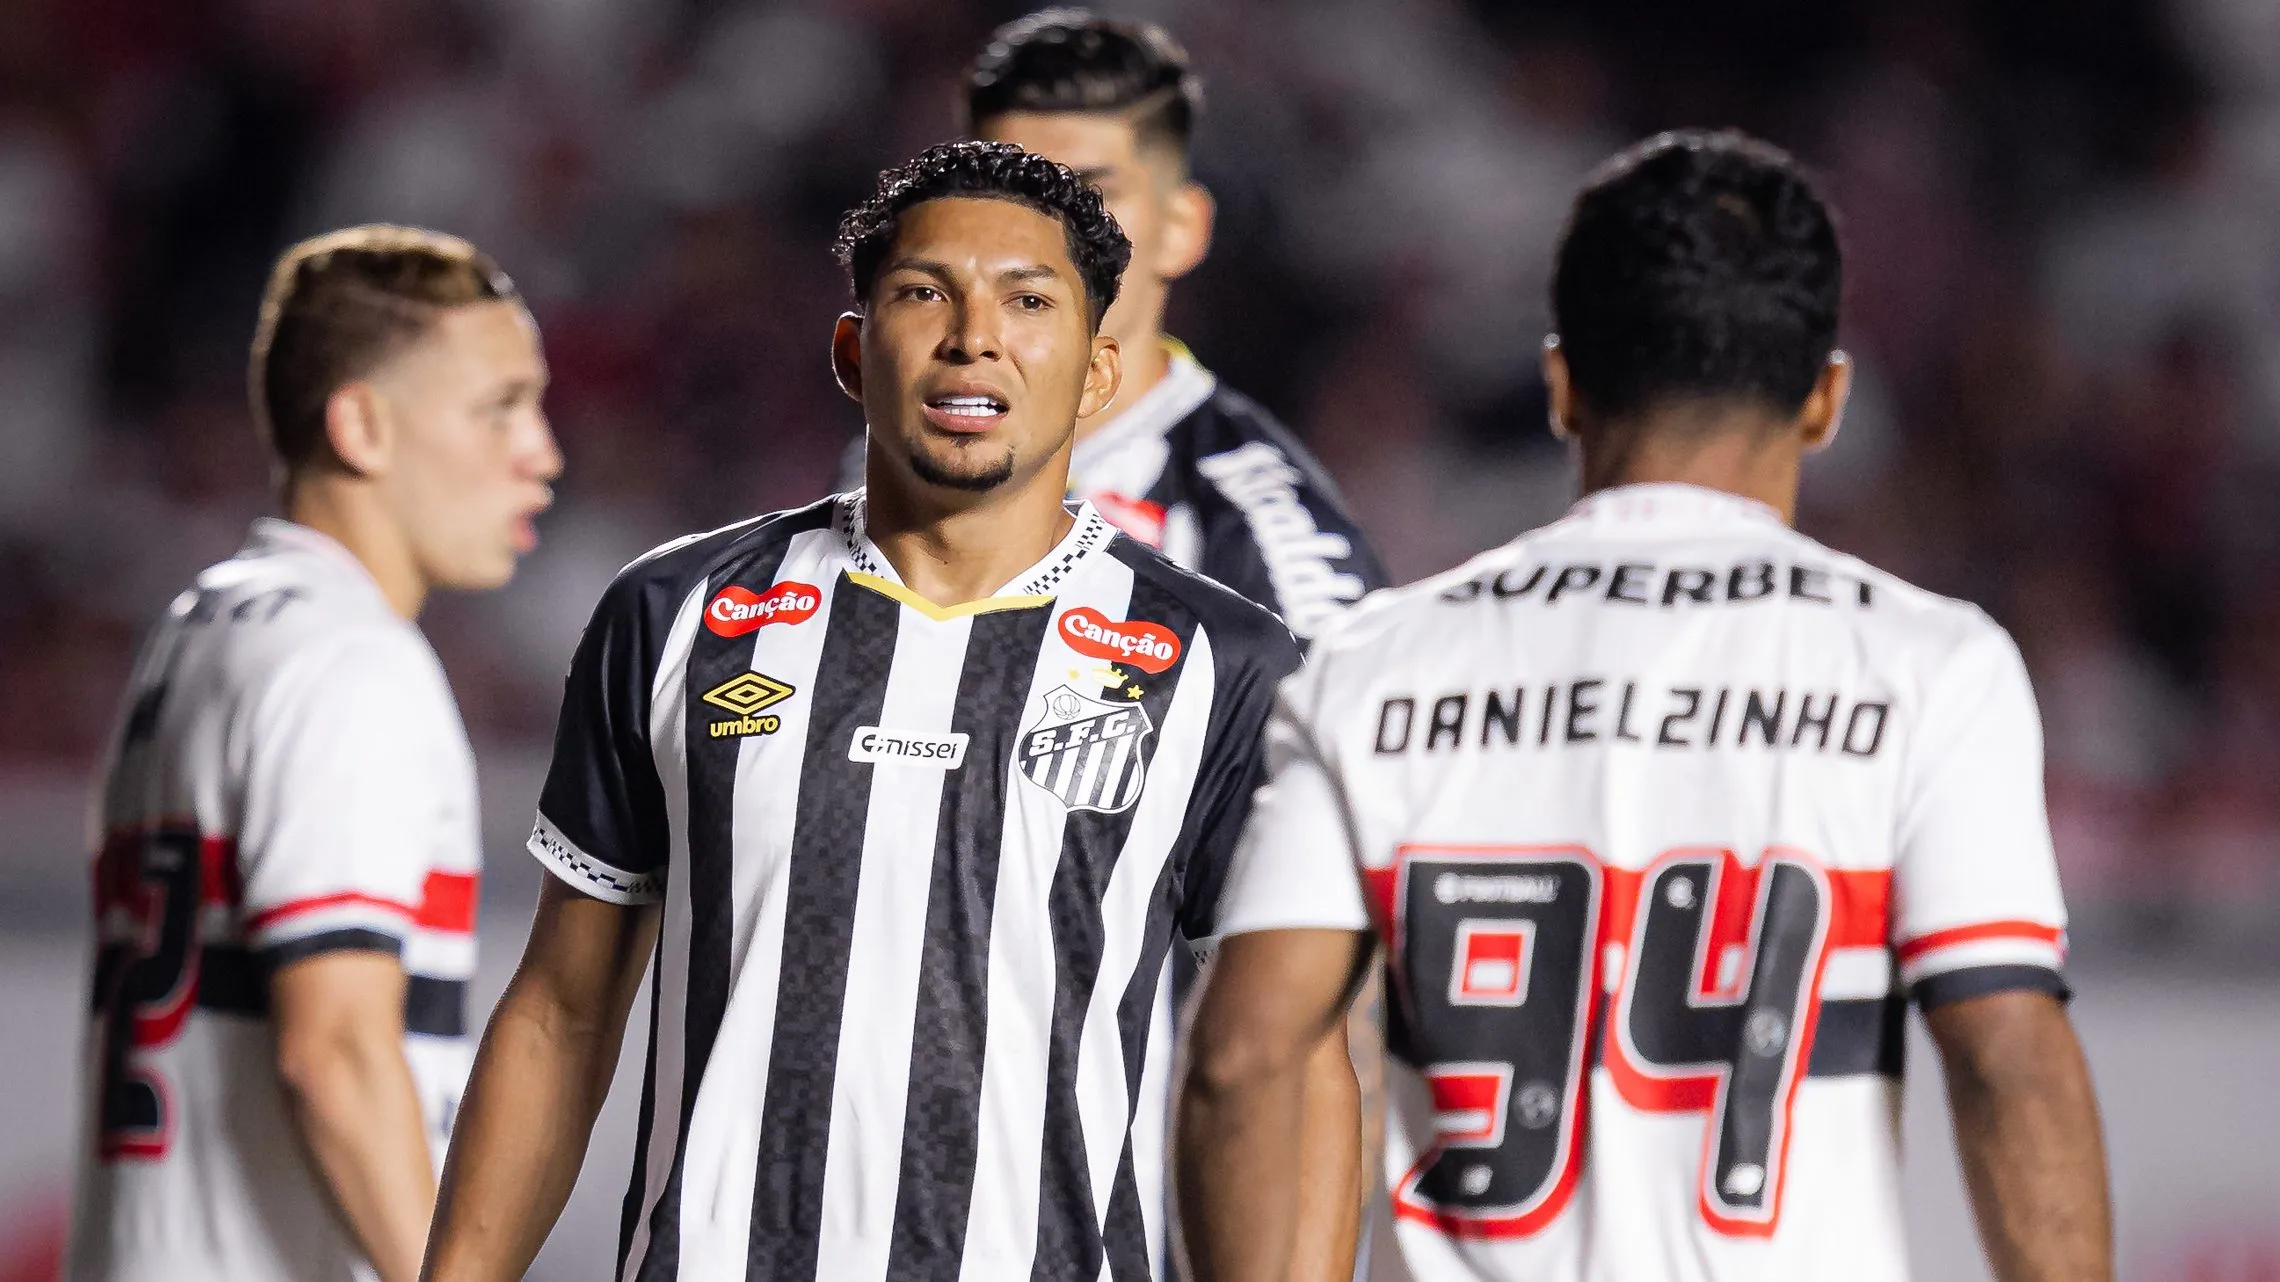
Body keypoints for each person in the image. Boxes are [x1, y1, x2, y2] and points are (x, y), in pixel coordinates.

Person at [1178, 131, 2113, 1282]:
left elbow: (1245, 1056)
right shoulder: (1928, 664)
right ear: (1826, 399)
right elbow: (2007, 1053)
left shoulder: (1377, 662)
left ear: (1562, 384)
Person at [420, 141, 1303, 1282]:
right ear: (851, 350)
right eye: (925, 293)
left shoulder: (1222, 662)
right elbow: (560, 1013)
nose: (973, 336)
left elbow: (1288, 1064)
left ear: (1096, 372)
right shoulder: (675, 612)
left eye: (1028, 301)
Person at [965, 14, 1394, 1274]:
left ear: (1183, 227)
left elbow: (1338, 995)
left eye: (1090, 192)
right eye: (1008, 190)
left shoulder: (1264, 549)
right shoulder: (910, 448)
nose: (1044, 234)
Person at [68, 226, 561, 1282]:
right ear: (362, 424)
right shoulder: (351, 658)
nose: (541, 452)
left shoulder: (197, 630)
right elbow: (335, 1054)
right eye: (500, 407)